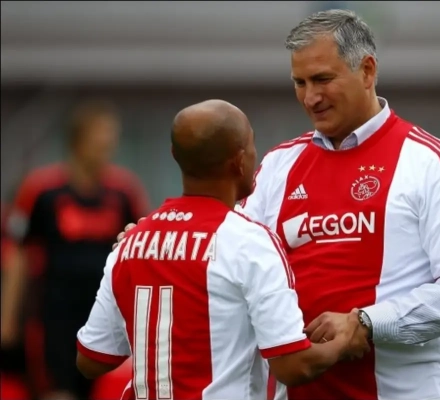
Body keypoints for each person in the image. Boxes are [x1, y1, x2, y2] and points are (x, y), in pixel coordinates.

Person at [117, 10, 440, 400]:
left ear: (367, 71)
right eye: (300, 82)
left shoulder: (431, 161)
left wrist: (369, 322)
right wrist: (156, 242)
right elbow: (220, 254)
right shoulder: (279, 166)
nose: (310, 97)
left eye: (323, 79)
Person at [76, 100, 370, 399]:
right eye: (252, 146)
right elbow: (293, 366)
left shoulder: (131, 242)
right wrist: (344, 342)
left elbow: (91, 359)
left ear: (174, 155)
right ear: (239, 162)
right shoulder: (250, 241)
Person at [2, 99, 150, 400]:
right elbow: (18, 256)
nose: (106, 145)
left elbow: (140, 253)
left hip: (104, 316)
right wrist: (8, 319)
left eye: (111, 138)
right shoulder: (41, 190)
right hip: (53, 316)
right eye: (99, 138)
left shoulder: (124, 191)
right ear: (77, 141)